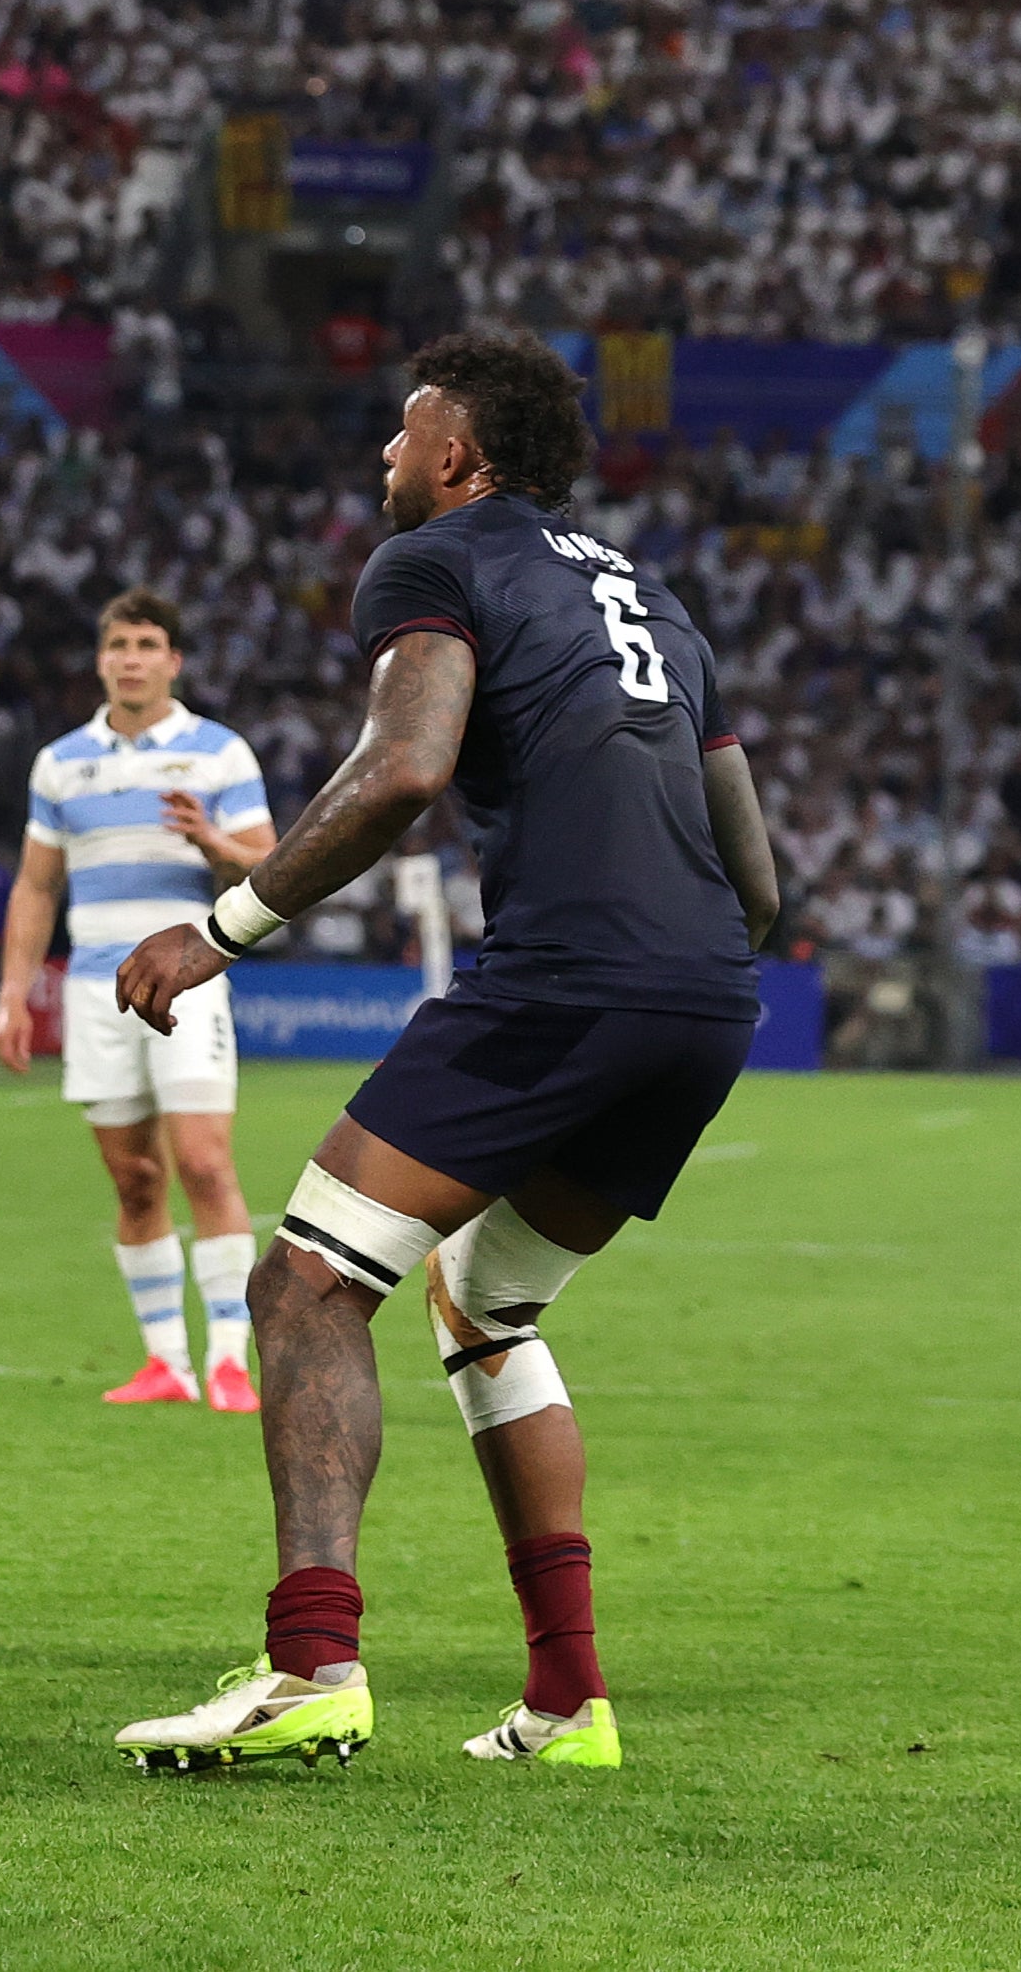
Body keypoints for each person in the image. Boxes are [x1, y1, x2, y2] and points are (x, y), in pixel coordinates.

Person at [109, 334, 776, 1777]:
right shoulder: (658, 602)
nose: (384, 460)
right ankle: (568, 1700)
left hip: (565, 978)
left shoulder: (436, 561)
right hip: (708, 996)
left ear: (460, 457)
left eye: (402, 437)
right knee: (485, 1305)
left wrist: (220, 927)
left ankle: (311, 1663)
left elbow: (404, 767)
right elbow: (761, 880)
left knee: (304, 1279)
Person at [1, 590, 282, 1409]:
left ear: (173, 660)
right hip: (94, 990)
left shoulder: (217, 755)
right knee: (133, 1178)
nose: (131, 657)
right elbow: (34, 884)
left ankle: (229, 1357)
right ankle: (167, 1363)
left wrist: (211, 843)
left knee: (202, 1161)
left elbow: (266, 868)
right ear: (100, 659)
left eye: (147, 643)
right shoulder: (60, 763)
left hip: (188, 980)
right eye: (118, 643)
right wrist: (13, 995)